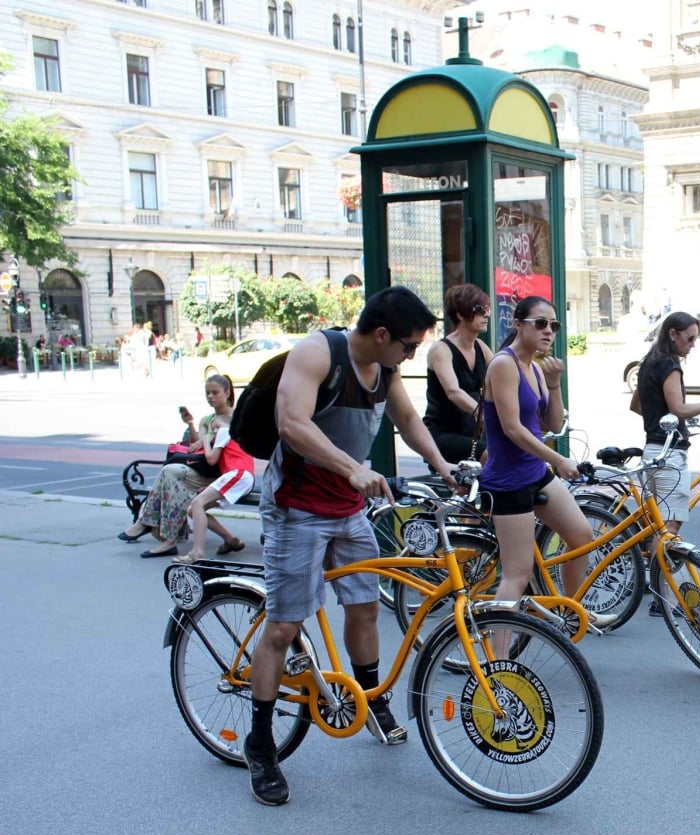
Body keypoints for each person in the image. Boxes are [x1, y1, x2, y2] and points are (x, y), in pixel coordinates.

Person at [243, 286, 456, 806]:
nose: (410, 356)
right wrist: (352, 468)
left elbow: (407, 420)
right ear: (381, 335)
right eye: (407, 346)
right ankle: (261, 742)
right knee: (284, 626)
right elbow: (290, 424)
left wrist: (443, 467)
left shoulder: (385, 369)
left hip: (349, 508)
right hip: (298, 508)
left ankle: (370, 699)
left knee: (363, 609)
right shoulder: (319, 353)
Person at [479, 296, 611, 626]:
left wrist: (554, 385)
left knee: (581, 535)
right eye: (541, 323)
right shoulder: (503, 365)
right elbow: (512, 429)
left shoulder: (535, 368)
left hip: (535, 473)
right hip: (508, 482)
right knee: (516, 575)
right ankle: (498, 663)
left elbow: (552, 424)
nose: (548, 331)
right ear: (518, 325)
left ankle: (571, 612)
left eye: (554, 325)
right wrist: (560, 460)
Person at [629, 311, 700, 613]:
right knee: (669, 529)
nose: (692, 344)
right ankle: (664, 596)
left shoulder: (649, 362)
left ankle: (658, 591)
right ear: (673, 334)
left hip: (652, 450)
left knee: (660, 526)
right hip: (669, 454)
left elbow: (637, 405)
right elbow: (679, 407)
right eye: (690, 338)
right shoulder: (669, 365)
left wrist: (659, 419)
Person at [119, 374, 240, 557]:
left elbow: (232, 450)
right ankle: (160, 533)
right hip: (201, 468)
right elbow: (194, 445)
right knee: (171, 475)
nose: (210, 397)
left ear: (227, 392)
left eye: (215, 393)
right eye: (207, 393)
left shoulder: (237, 419)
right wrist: (191, 423)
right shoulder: (207, 420)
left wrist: (210, 440)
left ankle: (156, 530)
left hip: (221, 473)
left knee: (172, 474)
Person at [423, 283, 494, 466]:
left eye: (488, 309)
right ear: (460, 314)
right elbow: (453, 391)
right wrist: (483, 414)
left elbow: (500, 377)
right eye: (480, 310)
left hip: (470, 434)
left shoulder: (481, 348)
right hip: (442, 434)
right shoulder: (441, 350)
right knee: (492, 455)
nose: (486, 314)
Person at [173, 414, 254, 564]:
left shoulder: (225, 431)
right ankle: (231, 540)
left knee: (197, 503)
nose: (215, 431)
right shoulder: (234, 437)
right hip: (240, 476)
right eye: (213, 429)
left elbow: (211, 459)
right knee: (193, 509)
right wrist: (212, 486)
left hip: (239, 474)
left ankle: (197, 552)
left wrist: (204, 440)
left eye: (216, 427)